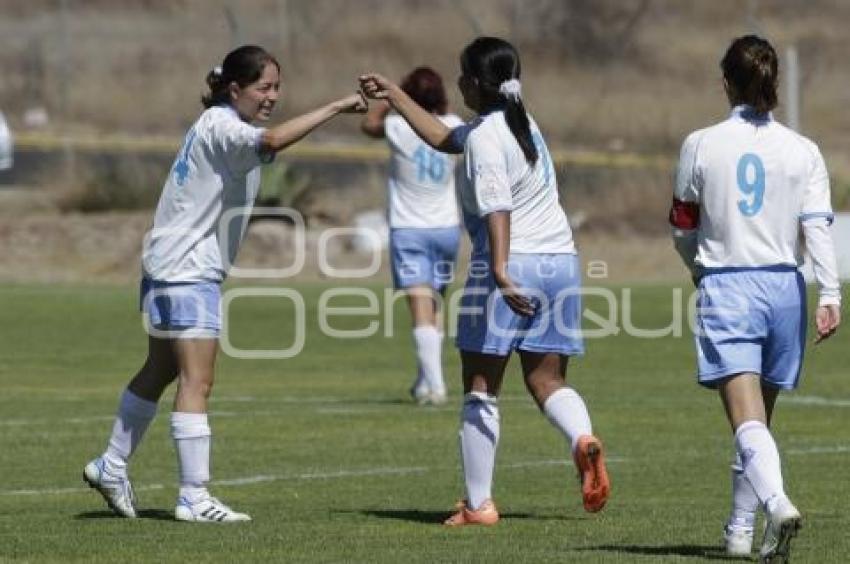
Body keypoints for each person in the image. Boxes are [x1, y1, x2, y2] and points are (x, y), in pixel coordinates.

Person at [83, 45, 366, 523]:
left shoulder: (218, 122)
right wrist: (338, 106)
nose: (273, 95)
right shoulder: (226, 128)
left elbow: (264, 140)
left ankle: (111, 464)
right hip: (188, 271)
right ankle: (194, 497)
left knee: (160, 369)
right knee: (199, 380)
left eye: (277, 87)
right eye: (264, 87)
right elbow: (273, 141)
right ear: (235, 88)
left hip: (165, 265)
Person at [361, 36, 610, 526]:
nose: (457, 82)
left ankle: (479, 505)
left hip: (510, 264)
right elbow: (440, 136)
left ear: (475, 83)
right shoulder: (523, 124)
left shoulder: (485, 138)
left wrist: (498, 270)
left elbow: (498, 206)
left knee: (480, 387)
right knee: (547, 379)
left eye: (462, 74)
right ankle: (583, 439)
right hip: (561, 262)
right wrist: (394, 91)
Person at [670, 35, 841, 561]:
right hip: (785, 289)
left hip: (730, 285)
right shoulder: (803, 149)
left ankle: (777, 501)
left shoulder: (700, 143)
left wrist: (697, 265)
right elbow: (817, 228)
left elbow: (682, 223)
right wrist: (830, 292)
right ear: (773, 84)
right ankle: (739, 532)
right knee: (757, 426)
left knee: (746, 423)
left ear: (726, 83)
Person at [360, 67, 464, 405]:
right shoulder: (454, 123)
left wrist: (390, 98)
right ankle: (424, 382)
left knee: (420, 307)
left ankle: (436, 386)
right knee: (435, 304)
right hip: (447, 227)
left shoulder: (398, 126)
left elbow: (368, 126)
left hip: (410, 229)